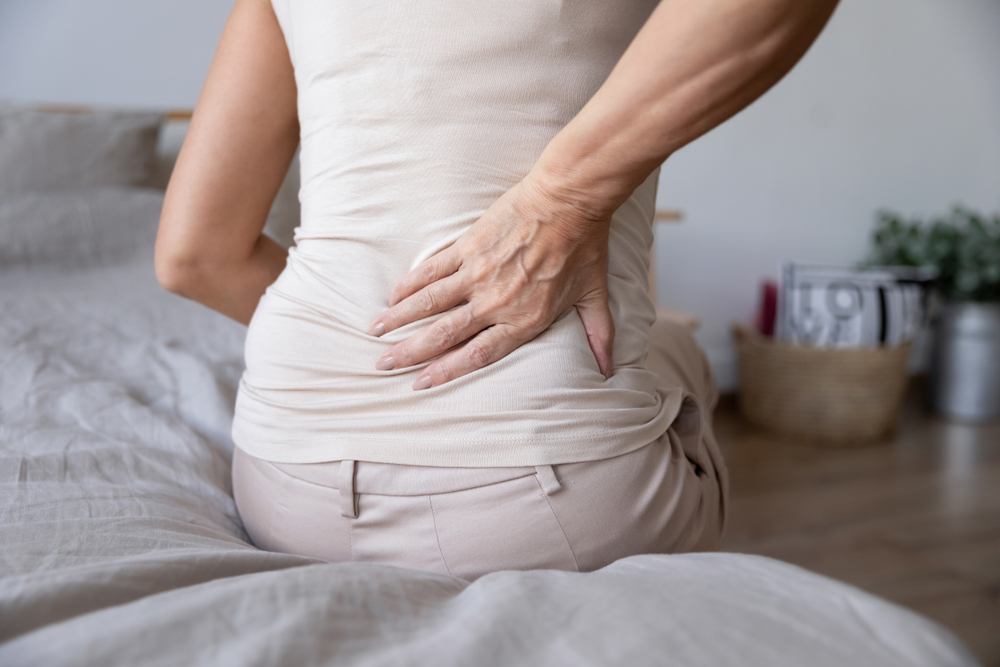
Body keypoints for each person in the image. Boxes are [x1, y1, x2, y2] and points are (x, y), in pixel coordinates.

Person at [156, 0, 838, 581]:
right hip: (543, 497)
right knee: (683, 352)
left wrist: (386, 344)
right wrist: (560, 198)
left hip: (282, 479)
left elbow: (195, 256)